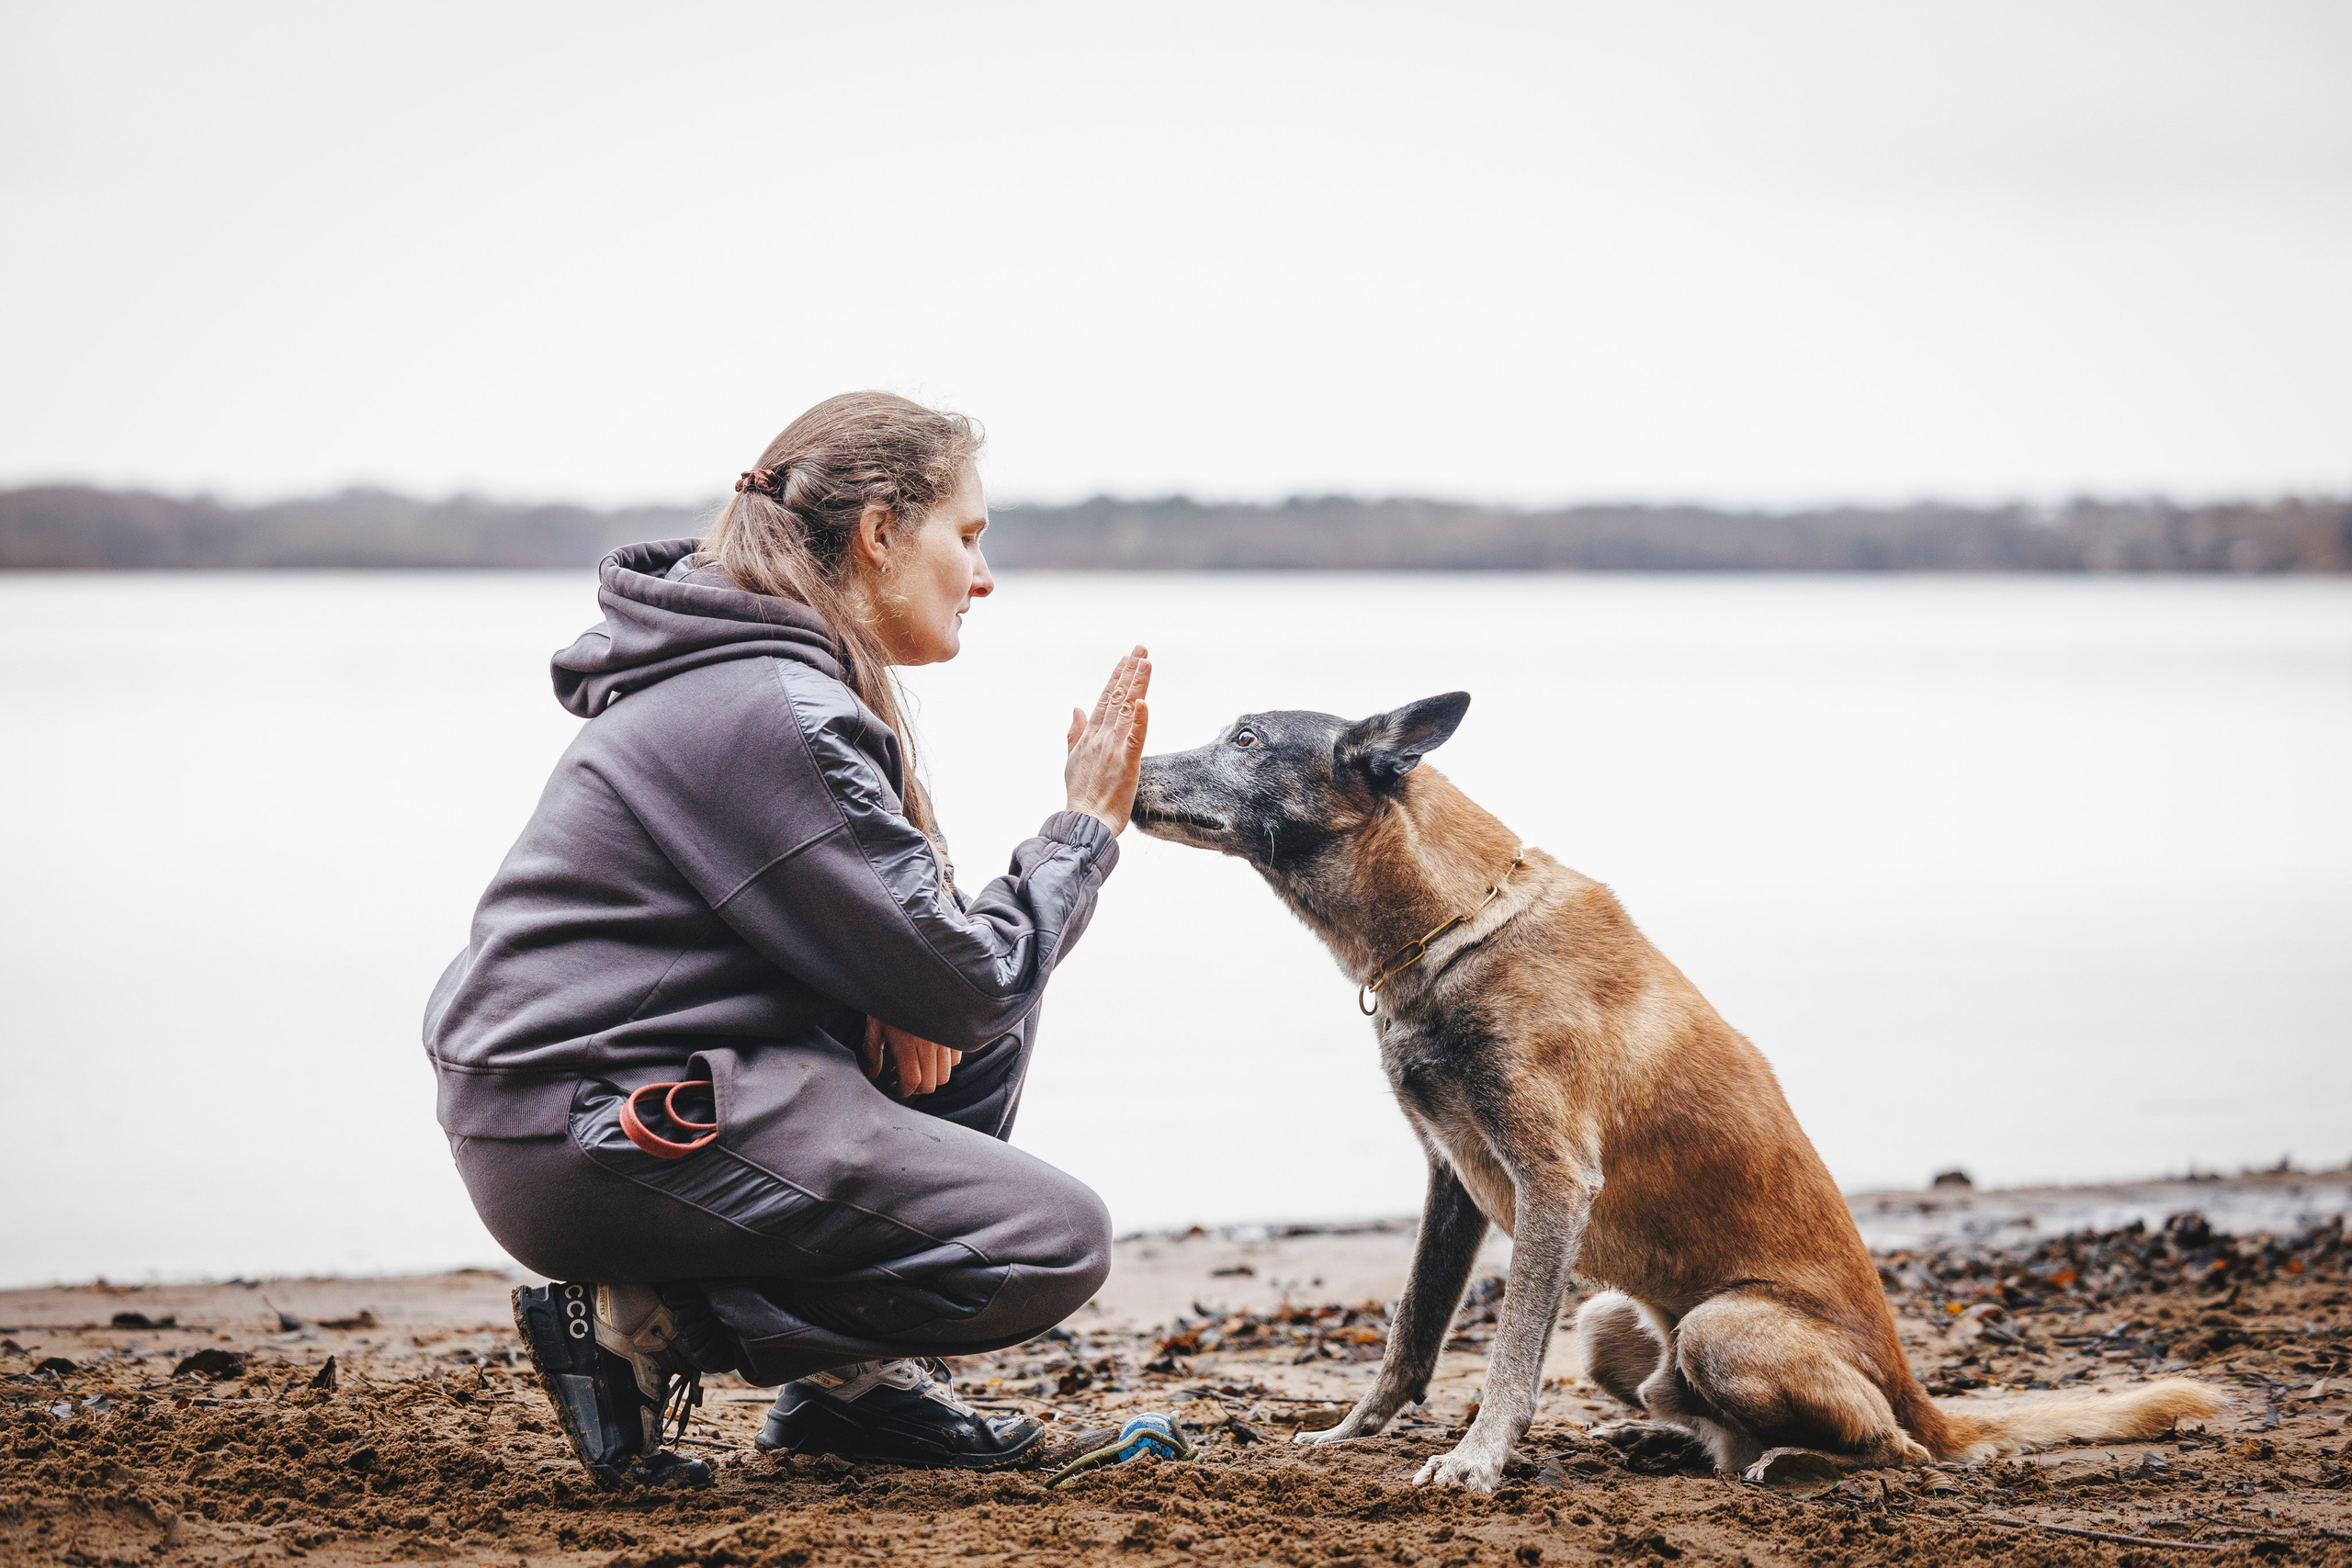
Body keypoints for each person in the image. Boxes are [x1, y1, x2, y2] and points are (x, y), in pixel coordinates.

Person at [422, 391, 1151, 1487]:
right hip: (590, 1130)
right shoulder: (773, 706)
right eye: (970, 537)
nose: (985, 577)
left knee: (980, 1003)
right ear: (878, 536)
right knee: (1050, 1241)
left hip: (606, 1095)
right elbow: (965, 980)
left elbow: (949, 981)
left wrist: (902, 987)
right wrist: (1085, 829)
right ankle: (649, 1322)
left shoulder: (761, 677)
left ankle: (848, 1389)